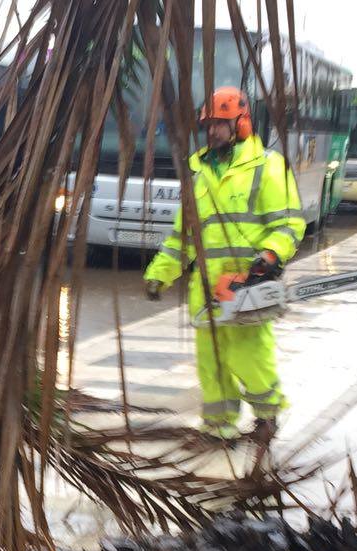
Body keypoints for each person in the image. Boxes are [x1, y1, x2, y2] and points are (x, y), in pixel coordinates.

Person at [143, 87, 305, 445]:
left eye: (220, 123)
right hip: (206, 285)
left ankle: (268, 415)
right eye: (209, 124)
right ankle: (218, 426)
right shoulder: (197, 171)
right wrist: (159, 274)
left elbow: (289, 224)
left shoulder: (267, 165)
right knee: (211, 362)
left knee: (250, 355)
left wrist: (271, 255)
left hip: (248, 280)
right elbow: (182, 237)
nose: (213, 131)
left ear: (241, 122)